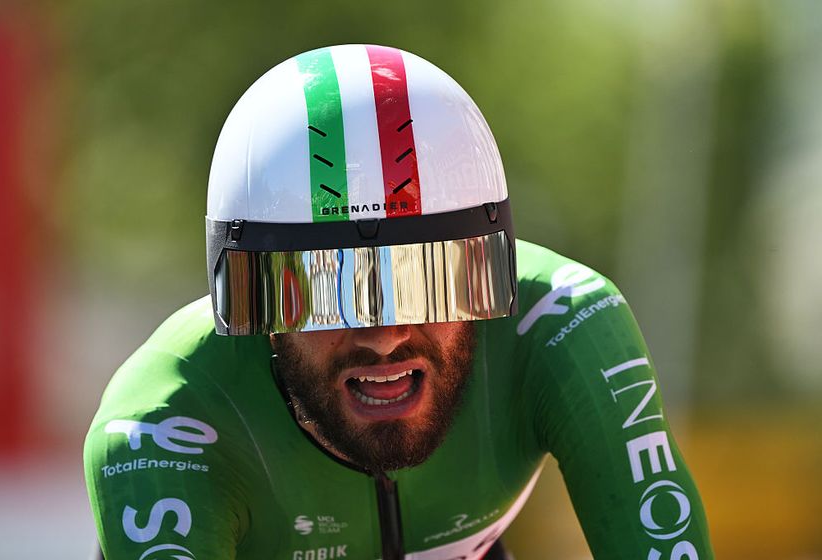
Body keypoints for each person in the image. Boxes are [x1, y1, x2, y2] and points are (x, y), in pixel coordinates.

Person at [84, 44, 714, 560]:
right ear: (258, 313)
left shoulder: (566, 326)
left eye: (425, 280)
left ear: (489, 279)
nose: (383, 333)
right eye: (328, 292)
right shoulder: (159, 427)